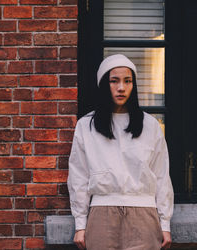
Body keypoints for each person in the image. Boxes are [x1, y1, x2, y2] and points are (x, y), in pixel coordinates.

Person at [67, 54, 174, 250]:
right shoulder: (86, 126)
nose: (121, 88)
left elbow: (161, 176)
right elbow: (78, 176)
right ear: (103, 85)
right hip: (101, 214)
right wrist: (80, 224)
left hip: (144, 214)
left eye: (128, 81)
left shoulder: (150, 126)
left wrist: (165, 223)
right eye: (114, 81)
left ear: (134, 86)